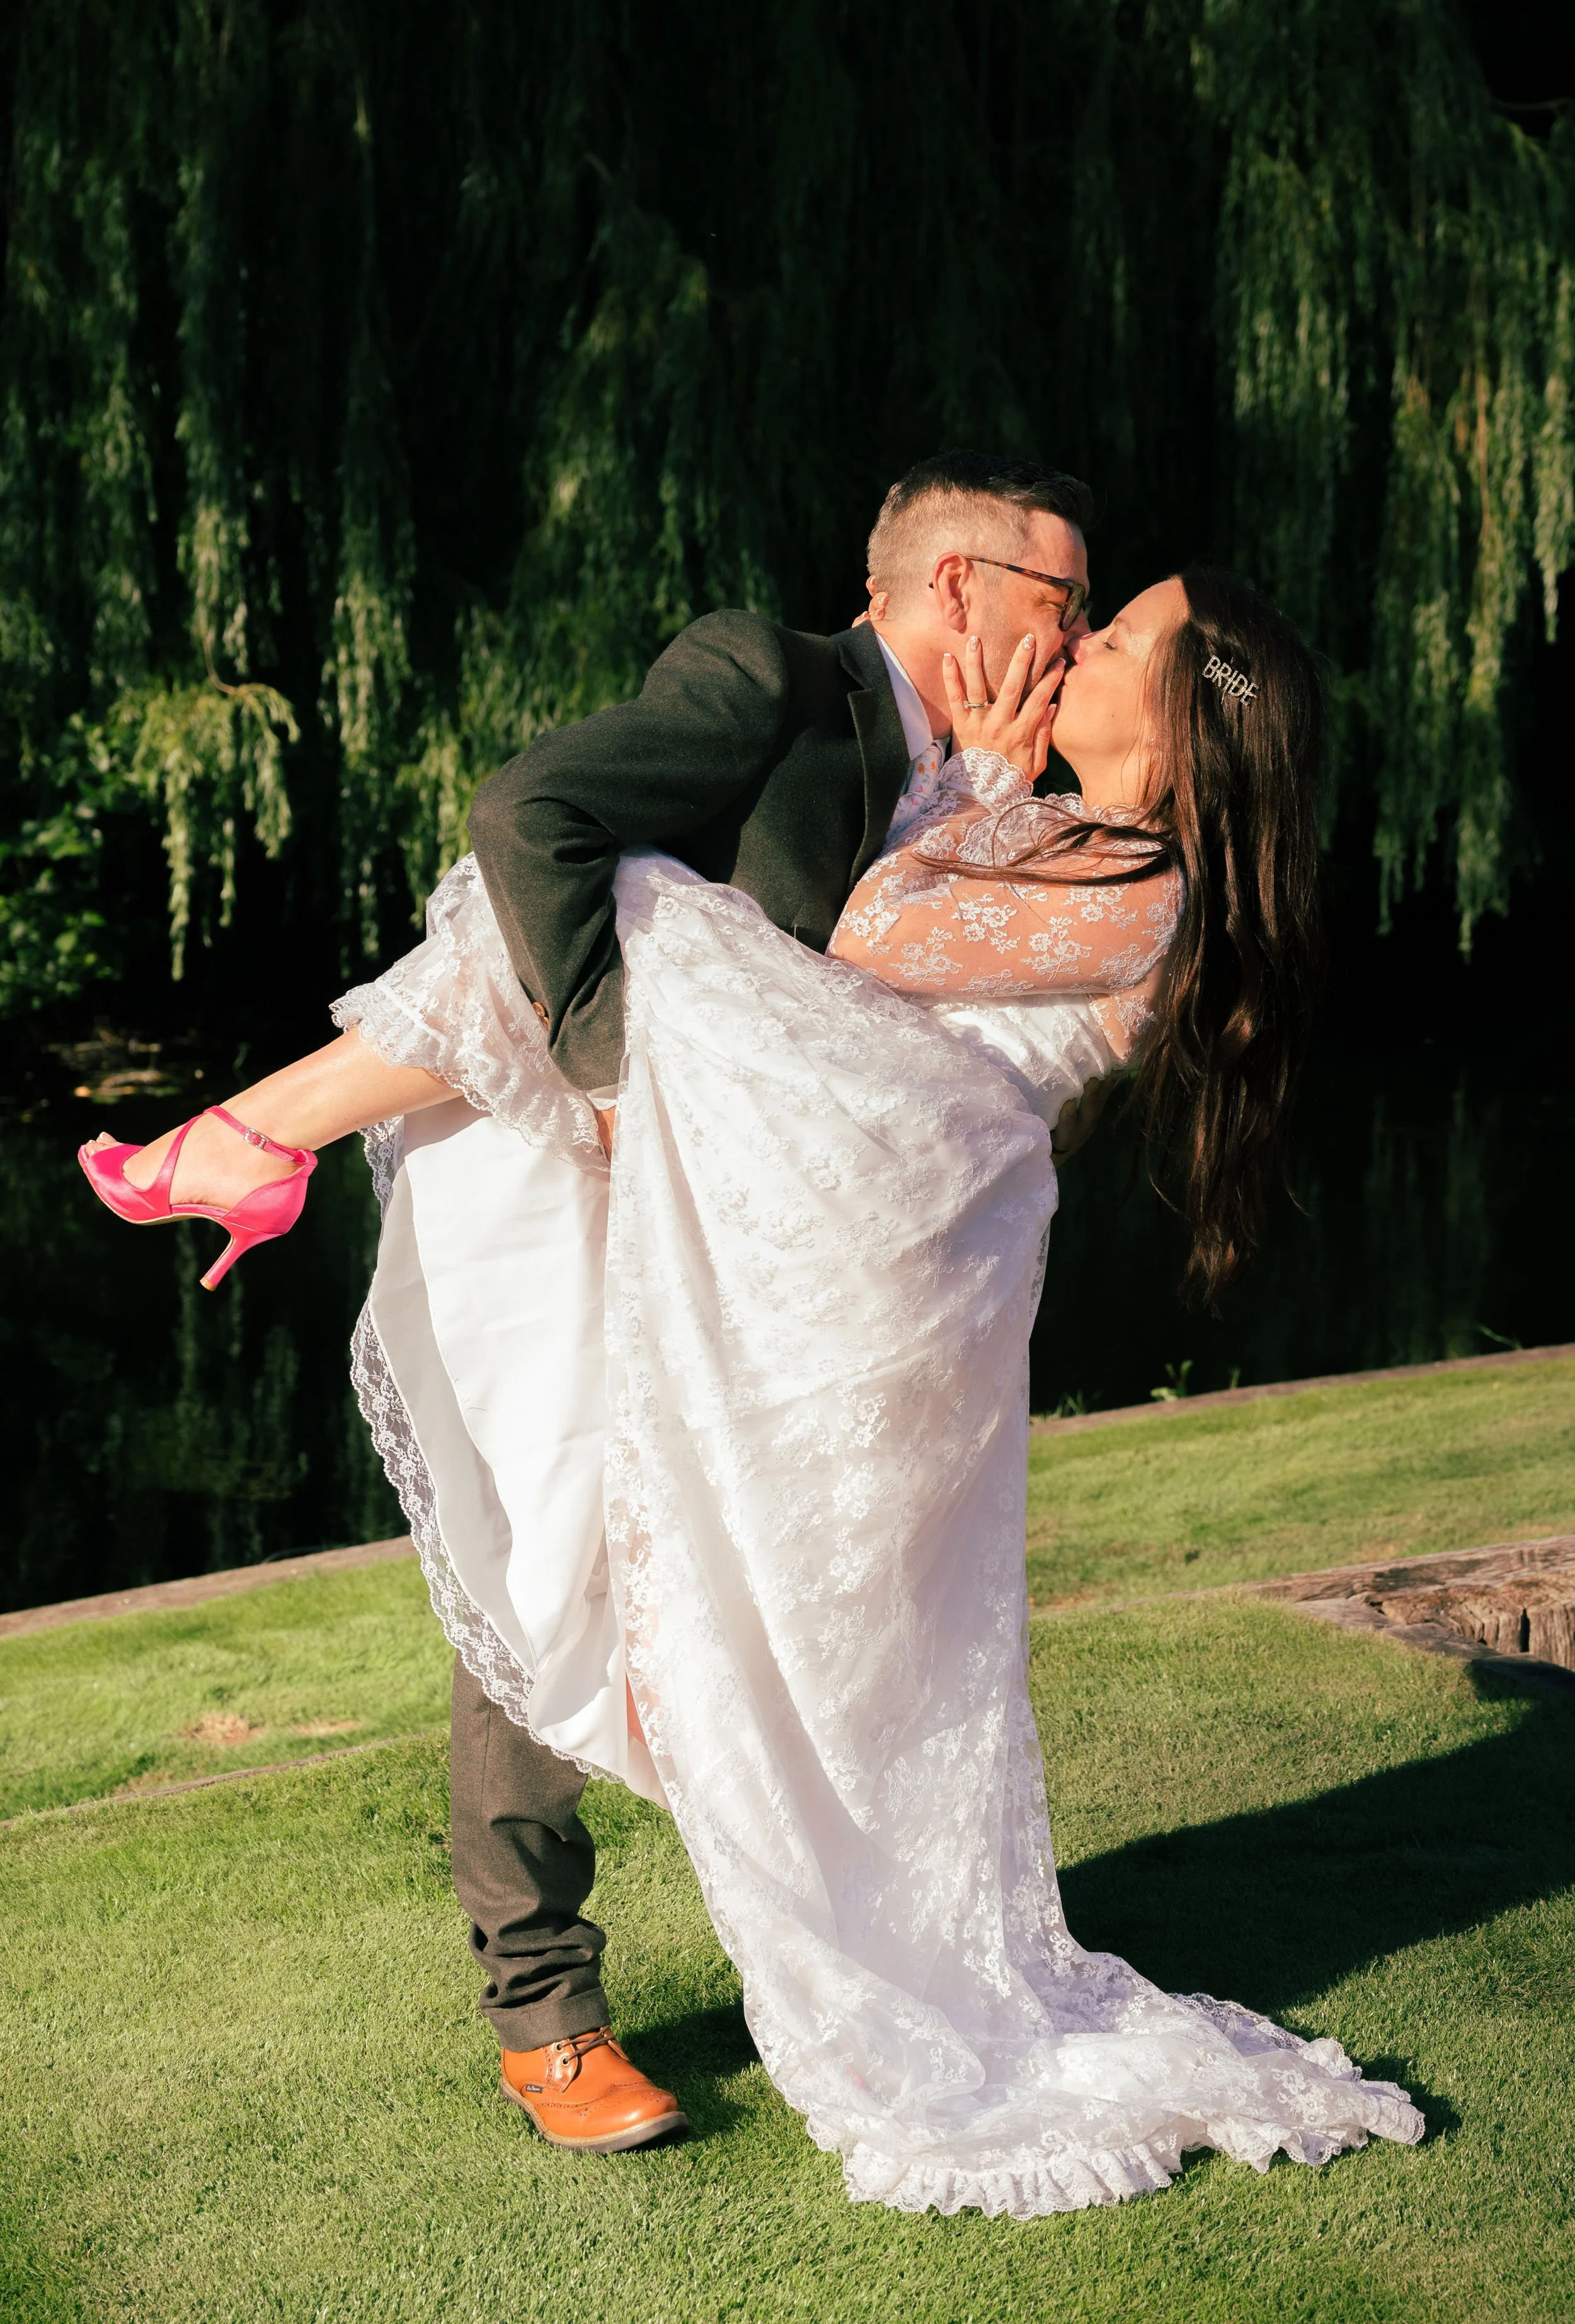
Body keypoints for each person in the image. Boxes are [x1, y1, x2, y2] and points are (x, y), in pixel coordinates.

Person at [79, 458, 1425, 2210]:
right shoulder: (847, 722)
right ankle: (543, 1994)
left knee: (637, 917)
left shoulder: (1136, 881)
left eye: (1117, 641)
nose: (1080, 643)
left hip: (860, 1237)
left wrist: (977, 779)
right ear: (962, 587)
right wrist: (974, 796)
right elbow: (624, 849)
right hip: (777, 1173)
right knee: (568, 1526)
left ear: (1177, 727)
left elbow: (878, 933)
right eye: (1076, 612)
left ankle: (250, 1136)